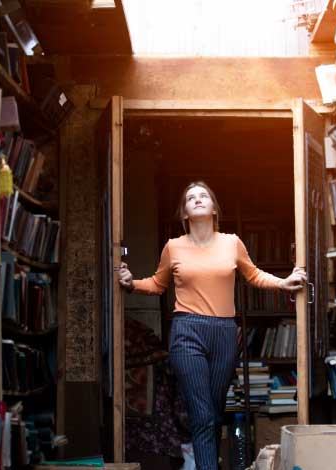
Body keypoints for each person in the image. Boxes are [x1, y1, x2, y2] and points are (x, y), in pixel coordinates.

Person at [117, 181, 306, 470]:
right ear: (184, 213)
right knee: (202, 415)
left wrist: (284, 283)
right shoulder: (174, 247)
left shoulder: (232, 242)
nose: (197, 199)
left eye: (203, 195)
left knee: (215, 414)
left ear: (214, 208)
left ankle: (208, 462)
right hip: (186, 332)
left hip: (224, 334)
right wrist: (131, 284)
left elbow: (253, 275)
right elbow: (158, 284)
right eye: (190, 197)